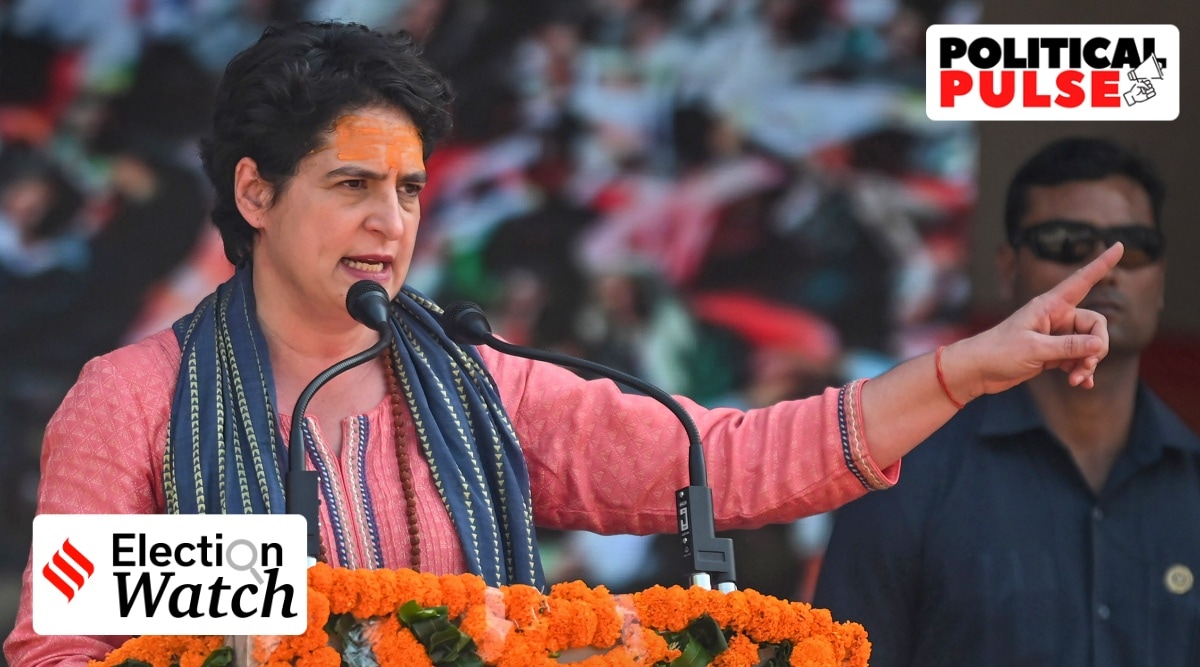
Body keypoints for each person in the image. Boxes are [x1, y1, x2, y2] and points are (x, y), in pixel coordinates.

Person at [6, 23, 1124, 666]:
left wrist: (966, 369)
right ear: (255, 192)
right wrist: (280, 614)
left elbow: (731, 463)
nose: (390, 225)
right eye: (350, 186)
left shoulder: (477, 389)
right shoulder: (131, 399)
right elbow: (59, 648)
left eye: (408, 190)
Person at [813, 137, 1200, 667]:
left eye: (1132, 247)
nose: (1105, 269)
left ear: (1161, 279)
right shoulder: (903, 473)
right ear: (1007, 268)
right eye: (1066, 242)